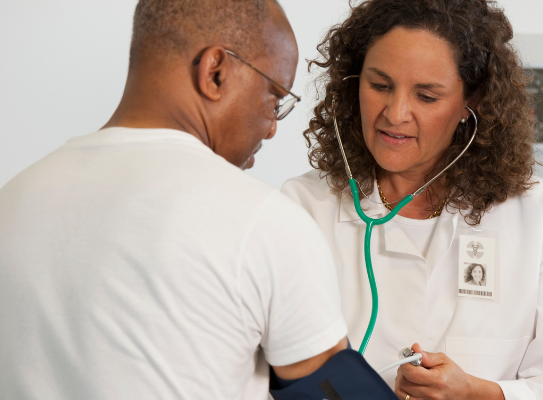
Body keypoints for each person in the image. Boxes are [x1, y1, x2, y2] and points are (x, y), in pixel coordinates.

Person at [0, 1, 349, 399]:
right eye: (274, 98)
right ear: (215, 72)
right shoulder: (264, 223)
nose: (271, 129)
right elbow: (336, 393)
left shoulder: (12, 202)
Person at [280, 0, 543, 399]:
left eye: (426, 96)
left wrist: (478, 393)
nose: (395, 113)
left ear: (470, 102)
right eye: (379, 86)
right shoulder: (302, 208)